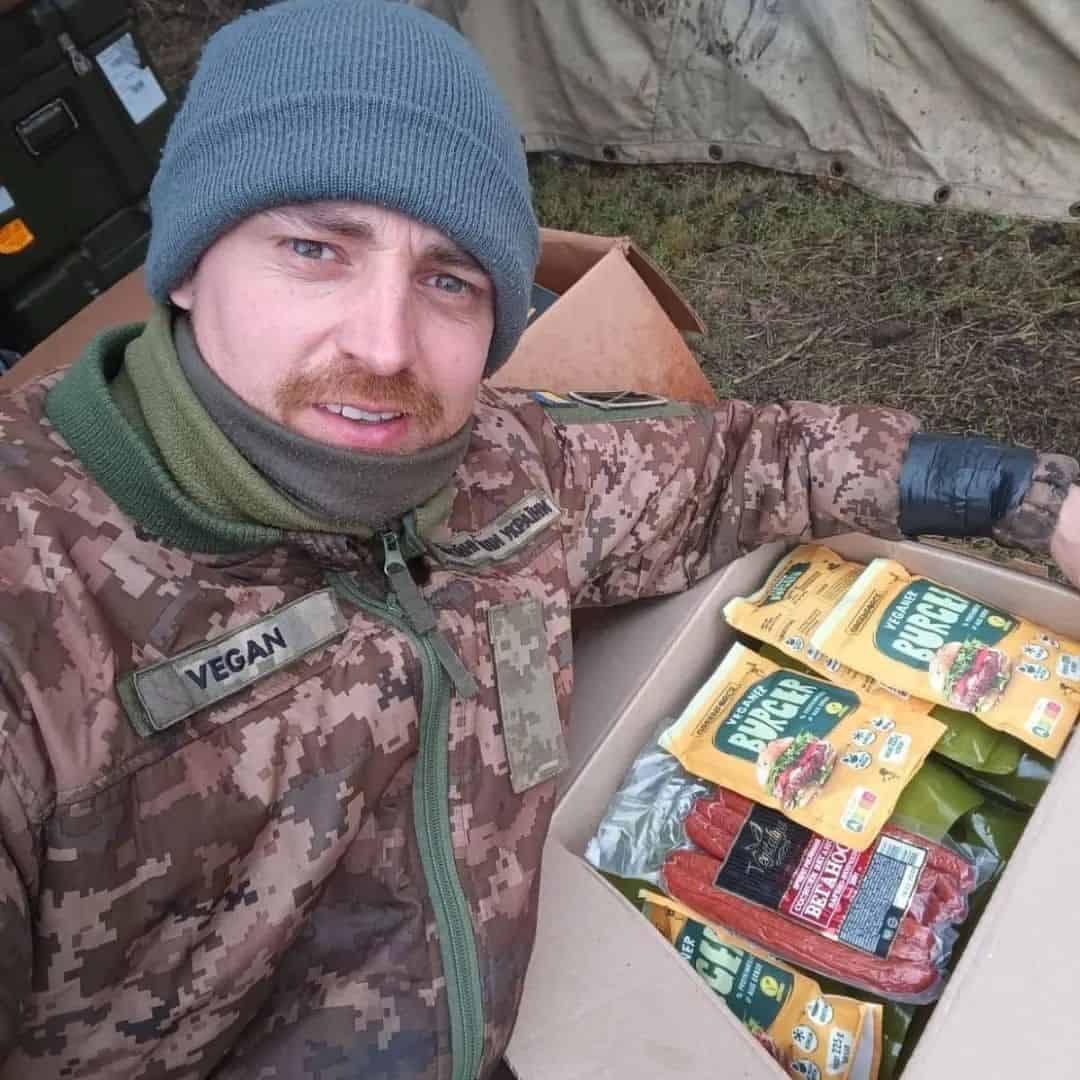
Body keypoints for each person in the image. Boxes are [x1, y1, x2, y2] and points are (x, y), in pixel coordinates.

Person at [0, 1, 1077, 1076]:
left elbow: (755, 462)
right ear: (186, 263)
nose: (383, 344)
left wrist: (1034, 497)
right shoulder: (37, 593)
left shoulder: (502, 472)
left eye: (448, 279)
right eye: (314, 248)